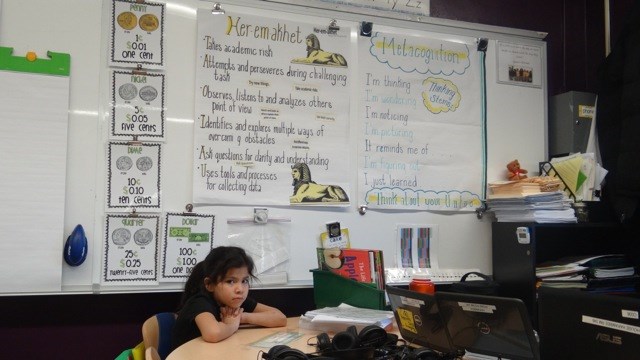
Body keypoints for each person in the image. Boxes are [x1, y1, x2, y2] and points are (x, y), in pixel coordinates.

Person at [171, 246, 287, 350]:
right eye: (230, 281)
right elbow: (213, 333)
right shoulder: (200, 302)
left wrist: (241, 317)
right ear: (210, 284)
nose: (240, 289)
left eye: (244, 281)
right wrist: (232, 325)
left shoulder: (235, 300)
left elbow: (280, 318)